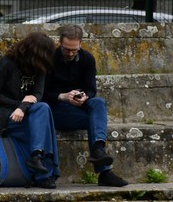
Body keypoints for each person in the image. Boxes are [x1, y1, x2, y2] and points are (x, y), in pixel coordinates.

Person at [43, 25, 128, 188]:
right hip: (56, 109)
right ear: (60, 43)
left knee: (98, 103)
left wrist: (83, 96)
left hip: (78, 108)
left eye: (74, 50)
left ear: (80, 44)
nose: (70, 53)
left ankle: (98, 150)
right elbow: (41, 93)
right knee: (96, 121)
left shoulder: (87, 59)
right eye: (66, 49)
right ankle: (104, 172)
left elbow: (91, 89)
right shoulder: (49, 59)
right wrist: (63, 97)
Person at [0, 32, 59, 188]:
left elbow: (37, 94)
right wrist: (17, 104)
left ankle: (36, 155)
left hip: (23, 112)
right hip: (1, 114)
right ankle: (45, 174)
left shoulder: (40, 67)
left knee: (43, 108)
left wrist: (22, 107)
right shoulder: (5, 64)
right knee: (42, 122)